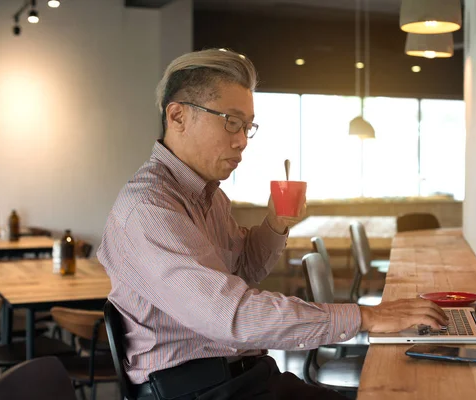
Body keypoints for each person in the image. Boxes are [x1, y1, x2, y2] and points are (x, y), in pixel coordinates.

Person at [97, 48, 448, 400]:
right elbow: (232, 316)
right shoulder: (149, 208)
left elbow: (244, 270)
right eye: (231, 122)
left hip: (244, 377)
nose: (242, 141)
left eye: (248, 126)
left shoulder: (210, 197)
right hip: (197, 390)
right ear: (178, 116)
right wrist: (366, 317)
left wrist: (275, 224)